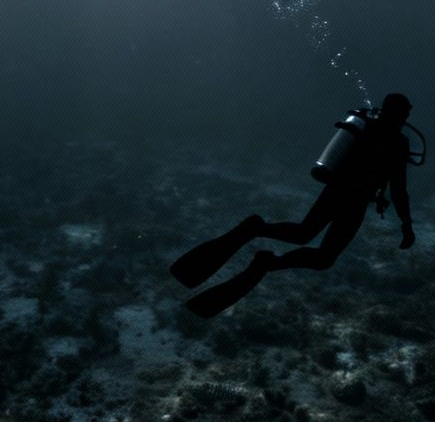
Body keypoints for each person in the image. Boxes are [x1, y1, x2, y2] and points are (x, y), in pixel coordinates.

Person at [173, 93, 420, 318]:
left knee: (311, 243)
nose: (405, 118)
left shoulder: (377, 132)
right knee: (318, 251)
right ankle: (263, 252)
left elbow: (395, 186)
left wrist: (401, 219)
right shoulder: (396, 143)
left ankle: (260, 241)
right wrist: (406, 225)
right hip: (346, 196)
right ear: (396, 113)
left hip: (342, 194)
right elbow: (399, 189)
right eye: (404, 114)